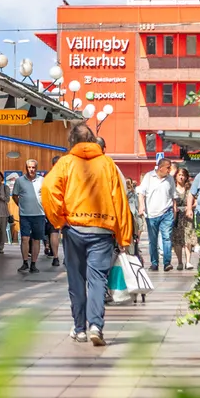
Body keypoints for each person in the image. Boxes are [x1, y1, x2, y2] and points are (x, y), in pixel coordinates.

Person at [41, 124, 133, 347]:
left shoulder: (65, 163)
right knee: (97, 280)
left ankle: (79, 329)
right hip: (102, 228)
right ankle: (96, 326)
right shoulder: (107, 163)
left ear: (71, 141)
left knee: (76, 280)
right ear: (92, 140)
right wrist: (123, 235)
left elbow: (48, 189)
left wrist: (60, 219)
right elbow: (120, 199)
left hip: (74, 228)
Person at [135, 155, 176, 273]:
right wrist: (141, 206)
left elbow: (173, 196)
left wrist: (174, 210)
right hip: (151, 214)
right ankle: (154, 263)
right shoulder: (149, 176)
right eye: (168, 167)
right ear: (160, 167)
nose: (169, 170)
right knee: (153, 240)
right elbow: (141, 193)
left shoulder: (170, 179)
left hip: (166, 212)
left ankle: (167, 263)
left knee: (166, 237)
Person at [12, 158, 49, 274]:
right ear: (26, 168)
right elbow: (15, 195)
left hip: (39, 214)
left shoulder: (42, 180)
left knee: (36, 239)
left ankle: (33, 264)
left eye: (33, 167)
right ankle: (25, 262)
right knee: (25, 238)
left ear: (36, 168)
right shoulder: (19, 181)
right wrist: (21, 205)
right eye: (29, 167)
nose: (31, 169)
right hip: (25, 214)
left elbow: (47, 195)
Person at [171, 165, 196, 270]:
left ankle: (188, 262)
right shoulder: (172, 188)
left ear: (186, 177)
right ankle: (180, 262)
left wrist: (190, 207)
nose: (181, 177)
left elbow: (196, 201)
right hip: (176, 217)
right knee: (177, 240)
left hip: (187, 216)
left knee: (188, 239)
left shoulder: (190, 188)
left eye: (183, 175)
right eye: (179, 175)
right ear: (176, 176)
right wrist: (173, 208)